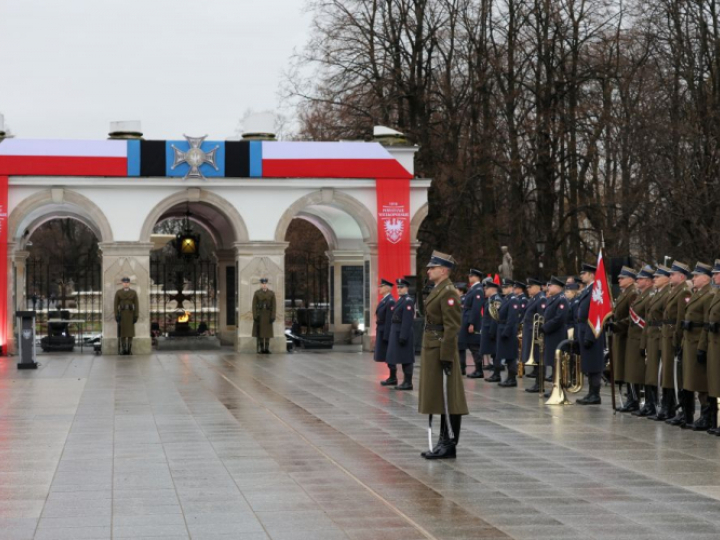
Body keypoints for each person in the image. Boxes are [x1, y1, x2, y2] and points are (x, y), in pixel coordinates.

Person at [418, 251, 468, 459]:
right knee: (439, 397)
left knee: (449, 398)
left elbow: (452, 326)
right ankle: (442, 440)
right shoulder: (438, 289)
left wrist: (446, 357)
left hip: (441, 349)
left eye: (433, 267)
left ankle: (449, 443)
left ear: (444, 270)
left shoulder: (448, 292)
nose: (428, 270)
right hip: (433, 348)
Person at [680, 262, 715, 430]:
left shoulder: (709, 294)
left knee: (701, 381)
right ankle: (698, 415)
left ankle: (706, 415)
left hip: (699, 341)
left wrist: (702, 346)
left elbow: (707, 324)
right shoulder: (698, 294)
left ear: (706, 278)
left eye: (696, 275)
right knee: (692, 380)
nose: (693, 278)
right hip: (689, 341)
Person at [663, 261, 693, 425]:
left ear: (681, 276)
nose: (670, 276)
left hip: (677, 336)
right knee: (672, 374)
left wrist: (677, 339)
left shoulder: (683, 292)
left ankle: (684, 411)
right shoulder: (675, 291)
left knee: (680, 376)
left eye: (673, 274)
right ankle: (677, 408)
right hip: (669, 335)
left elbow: (681, 318)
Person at [643, 265, 672, 420]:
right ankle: (653, 404)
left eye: (657, 276)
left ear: (667, 278)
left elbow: (668, 318)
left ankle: (665, 406)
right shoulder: (657, 294)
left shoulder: (668, 293)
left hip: (661, 336)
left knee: (661, 373)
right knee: (653, 372)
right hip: (653, 335)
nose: (654, 279)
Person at [575, 262, 606, 405]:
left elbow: (595, 315)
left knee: (594, 364)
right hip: (584, 330)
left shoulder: (596, 290)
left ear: (592, 275)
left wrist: (589, 335)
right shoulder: (588, 289)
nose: (582, 275)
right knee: (588, 363)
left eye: (584, 273)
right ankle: (591, 393)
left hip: (592, 331)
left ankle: (595, 394)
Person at [386, 278, 416, 390]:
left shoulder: (408, 300)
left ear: (406, 288)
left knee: (406, 358)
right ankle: (405, 382)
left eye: (401, 287)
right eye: (398, 287)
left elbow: (407, 320)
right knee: (403, 358)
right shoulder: (401, 300)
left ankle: (408, 382)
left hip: (403, 333)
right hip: (397, 331)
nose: (399, 289)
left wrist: (403, 336)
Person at [541, 276, 569, 392]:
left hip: (557, 334)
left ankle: (558, 388)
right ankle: (555, 387)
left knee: (556, 362)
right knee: (553, 362)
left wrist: (545, 327)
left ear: (557, 287)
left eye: (550, 285)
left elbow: (559, 318)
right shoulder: (553, 298)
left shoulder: (562, 299)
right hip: (551, 335)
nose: (548, 287)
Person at [702, 260, 720, 435]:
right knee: (715, 383)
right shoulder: (716, 293)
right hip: (714, 343)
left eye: (716, 273)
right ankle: (715, 420)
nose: (713, 276)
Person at [523, 278, 547, 393]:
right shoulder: (534, 298)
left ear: (537, 287)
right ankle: (537, 382)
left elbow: (541, 318)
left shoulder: (541, 299)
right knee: (535, 359)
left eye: (530, 287)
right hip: (530, 332)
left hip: (536, 333)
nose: (528, 289)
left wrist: (537, 331)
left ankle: (540, 383)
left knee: (538, 359)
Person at [496, 279, 521, 387]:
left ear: (511, 287)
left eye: (506, 287)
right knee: (506, 355)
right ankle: (509, 377)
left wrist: (506, 331)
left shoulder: (513, 300)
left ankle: (512, 378)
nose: (504, 289)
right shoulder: (507, 299)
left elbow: (512, 318)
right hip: (503, 328)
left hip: (509, 331)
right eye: (503, 287)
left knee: (510, 355)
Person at [462, 269, 485, 379]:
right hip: (468, 318)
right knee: (471, 345)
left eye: (471, 276)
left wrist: (471, 323)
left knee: (475, 346)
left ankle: (479, 370)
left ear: (476, 277)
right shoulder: (474, 289)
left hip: (473, 321)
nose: (469, 277)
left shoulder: (478, 289)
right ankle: (477, 369)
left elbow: (476, 308)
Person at [374, 279, 397, 385]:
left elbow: (389, 320)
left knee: (389, 355)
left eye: (381, 286)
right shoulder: (384, 300)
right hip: (381, 330)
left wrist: (387, 335)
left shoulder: (390, 301)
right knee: (386, 355)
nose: (380, 288)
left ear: (387, 288)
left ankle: (393, 377)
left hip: (385, 331)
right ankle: (391, 376)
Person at [481, 278, 501, 380]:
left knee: (495, 352)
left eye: (486, 289)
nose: (485, 290)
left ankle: (497, 374)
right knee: (493, 352)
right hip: (489, 329)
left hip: (493, 330)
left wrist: (492, 331)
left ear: (492, 289)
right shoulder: (490, 299)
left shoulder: (495, 299)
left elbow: (495, 317)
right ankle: (495, 373)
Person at [114, 277, 139, 355]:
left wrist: (136, 315)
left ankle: (129, 349)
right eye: (124, 282)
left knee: (130, 333)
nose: (126, 284)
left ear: (129, 283)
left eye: (127, 282)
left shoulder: (133, 293)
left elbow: (137, 305)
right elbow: (115, 305)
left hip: (130, 314)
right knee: (123, 333)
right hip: (122, 314)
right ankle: (124, 349)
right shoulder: (118, 292)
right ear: (122, 283)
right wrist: (116, 315)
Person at [252, 278, 276, 354]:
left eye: (265, 283)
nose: (264, 285)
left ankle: (267, 348)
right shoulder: (257, 293)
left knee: (268, 332)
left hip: (268, 314)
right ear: (261, 284)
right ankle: (262, 348)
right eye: (263, 284)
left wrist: (273, 316)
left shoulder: (271, 293)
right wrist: (255, 315)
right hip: (260, 314)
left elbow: (274, 305)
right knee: (261, 332)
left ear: (267, 284)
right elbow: (254, 305)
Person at [455, 282, 469, 375]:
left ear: (460, 290)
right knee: (459, 348)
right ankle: (461, 366)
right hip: (458, 326)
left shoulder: (463, 300)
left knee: (461, 348)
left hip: (461, 327)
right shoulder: (459, 299)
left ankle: (462, 367)